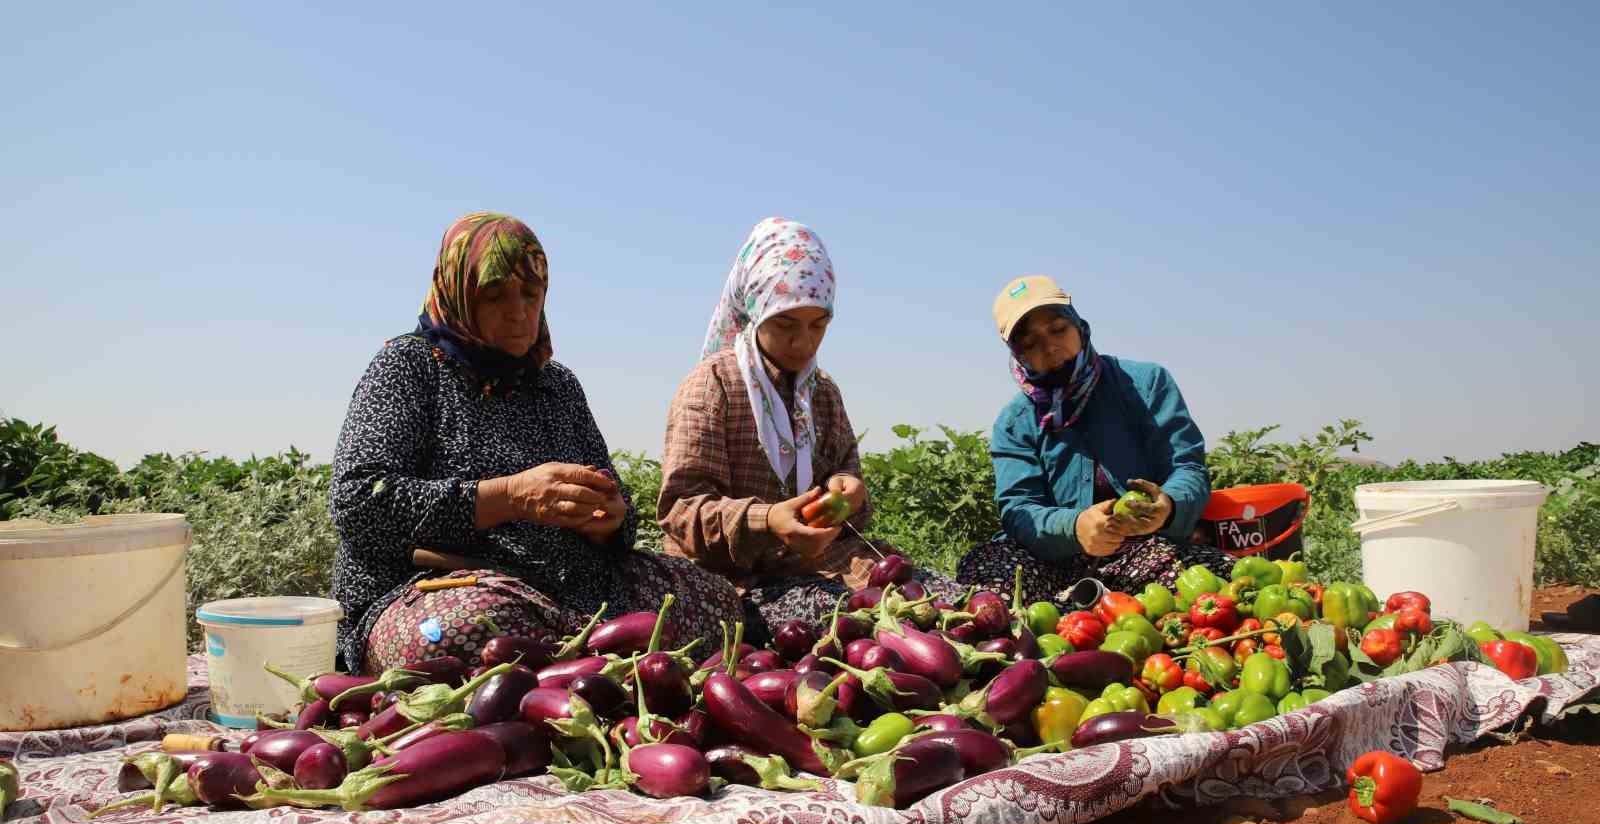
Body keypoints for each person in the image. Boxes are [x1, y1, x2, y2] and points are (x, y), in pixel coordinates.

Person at [330, 212, 742, 671]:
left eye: (531, 294)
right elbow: (359, 503)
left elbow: (615, 510)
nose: (519, 311)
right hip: (440, 585)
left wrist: (607, 518)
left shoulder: (556, 386)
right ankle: (591, 662)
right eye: (495, 296)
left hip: (567, 587)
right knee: (466, 635)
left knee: (714, 601)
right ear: (458, 293)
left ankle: (575, 660)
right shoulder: (408, 368)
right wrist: (512, 496)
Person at [658, 217, 960, 638]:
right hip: (734, 579)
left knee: (939, 599)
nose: (804, 342)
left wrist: (848, 491)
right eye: (785, 324)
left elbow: (845, 474)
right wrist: (769, 521)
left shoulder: (821, 393)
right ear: (756, 312)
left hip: (817, 565)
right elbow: (682, 510)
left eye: (818, 324)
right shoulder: (713, 387)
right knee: (840, 620)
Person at [957, 275, 1234, 604]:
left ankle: (1076, 605)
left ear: (1080, 326)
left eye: (1058, 329)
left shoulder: (1145, 384)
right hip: (1052, 561)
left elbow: (1187, 467)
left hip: (1145, 551)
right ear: (1018, 356)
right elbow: (1019, 510)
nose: (1050, 348)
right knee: (988, 581)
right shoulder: (1015, 423)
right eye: (1030, 343)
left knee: (1208, 584)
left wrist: (1167, 506)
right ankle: (1079, 603)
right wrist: (1075, 527)